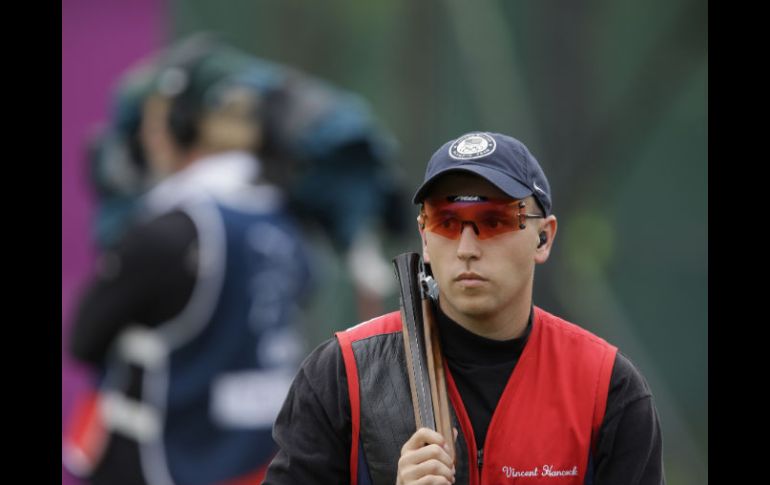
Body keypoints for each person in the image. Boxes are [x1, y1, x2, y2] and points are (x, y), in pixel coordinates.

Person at [263, 131, 666, 485]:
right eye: (446, 221)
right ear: (424, 236)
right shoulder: (342, 373)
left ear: (543, 239)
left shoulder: (606, 386)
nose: (467, 248)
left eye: (494, 221)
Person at [63, 36, 315, 485]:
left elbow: (84, 340)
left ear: (180, 126)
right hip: (263, 463)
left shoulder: (170, 231)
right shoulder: (285, 223)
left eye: (158, 120)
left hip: (168, 462)